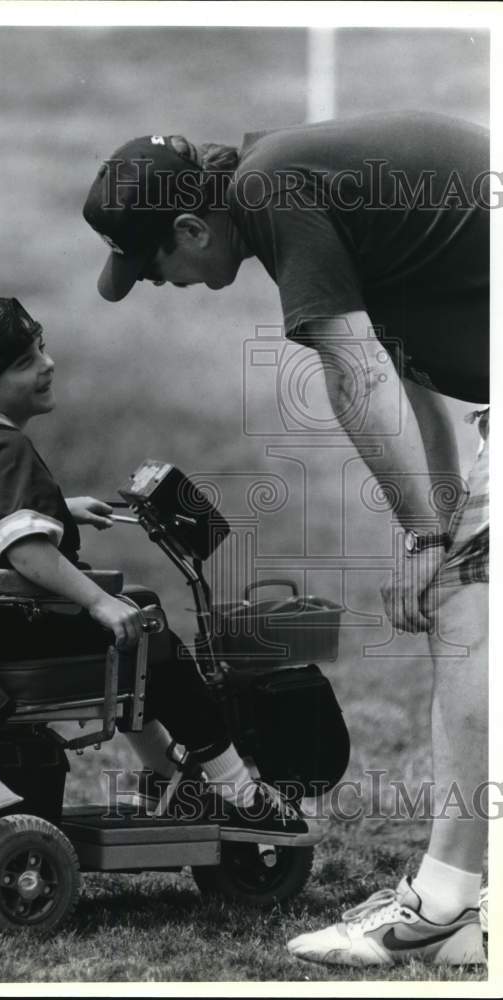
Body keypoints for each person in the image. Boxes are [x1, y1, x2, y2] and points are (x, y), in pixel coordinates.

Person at [83, 112, 489, 966]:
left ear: (192, 229)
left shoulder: (273, 193)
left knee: (465, 614)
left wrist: (424, 538)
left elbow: (355, 368)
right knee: (467, 597)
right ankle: (459, 901)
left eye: (155, 266)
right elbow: (408, 366)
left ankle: (447, 905)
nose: (164, 284)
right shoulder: (284, 185)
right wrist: (441, 522)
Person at [0, 295, 311, 843]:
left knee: (141, 611)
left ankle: (167, 773)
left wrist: (61, 509)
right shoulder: (11, 450)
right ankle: (237, 791)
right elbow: (25, 552)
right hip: (19, 637)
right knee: (149, 631)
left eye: (41, 347)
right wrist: (98, 601)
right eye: (25, 362)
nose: (47, 363)